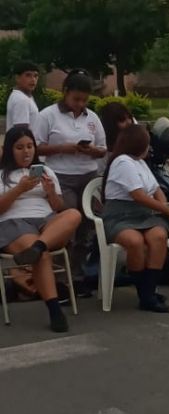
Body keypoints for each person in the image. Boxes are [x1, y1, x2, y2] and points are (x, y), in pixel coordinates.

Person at [33, 69, 107, 295]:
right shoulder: (48, 115)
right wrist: (64, 148)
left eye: (84, 100)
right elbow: (36, 147)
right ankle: (59, 279)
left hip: (87, 174)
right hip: (60, 175)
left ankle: (77, 275)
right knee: (67, 224)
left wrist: (91, 150)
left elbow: (103, 148)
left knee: (87, 226)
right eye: (76, 99)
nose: (80, 104)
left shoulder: (91, 117)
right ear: (65, 93)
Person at [0, 128, 81, 332]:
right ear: (10, 150)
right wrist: (19, 189)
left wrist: (51, 192)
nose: (26, 152)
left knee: (74, 214)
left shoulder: (45, 170)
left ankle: (38, 245)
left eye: (29, 146)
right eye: (19, 147)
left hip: (46, 221)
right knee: (41, 257)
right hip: (15, 223)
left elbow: (57, 206)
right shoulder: (2, 175)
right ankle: (55, 311)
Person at [102, 125, 169, 312]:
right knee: (135, 242)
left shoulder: (141, 163)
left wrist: (164, 206)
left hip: (144, 214)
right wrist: (167, 211)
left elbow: (156, 189)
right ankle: (146, 293)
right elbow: (139, 195)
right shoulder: (122, 161)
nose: (149, 148)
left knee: (158, 236)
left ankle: (148, 292)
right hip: (121, 215)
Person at [6, 61, 40, 131]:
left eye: (35, 76)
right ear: (17, 78)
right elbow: (22, 132)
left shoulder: (22, 97)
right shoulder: (21, 100)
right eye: (28, 75)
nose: (33, 79)